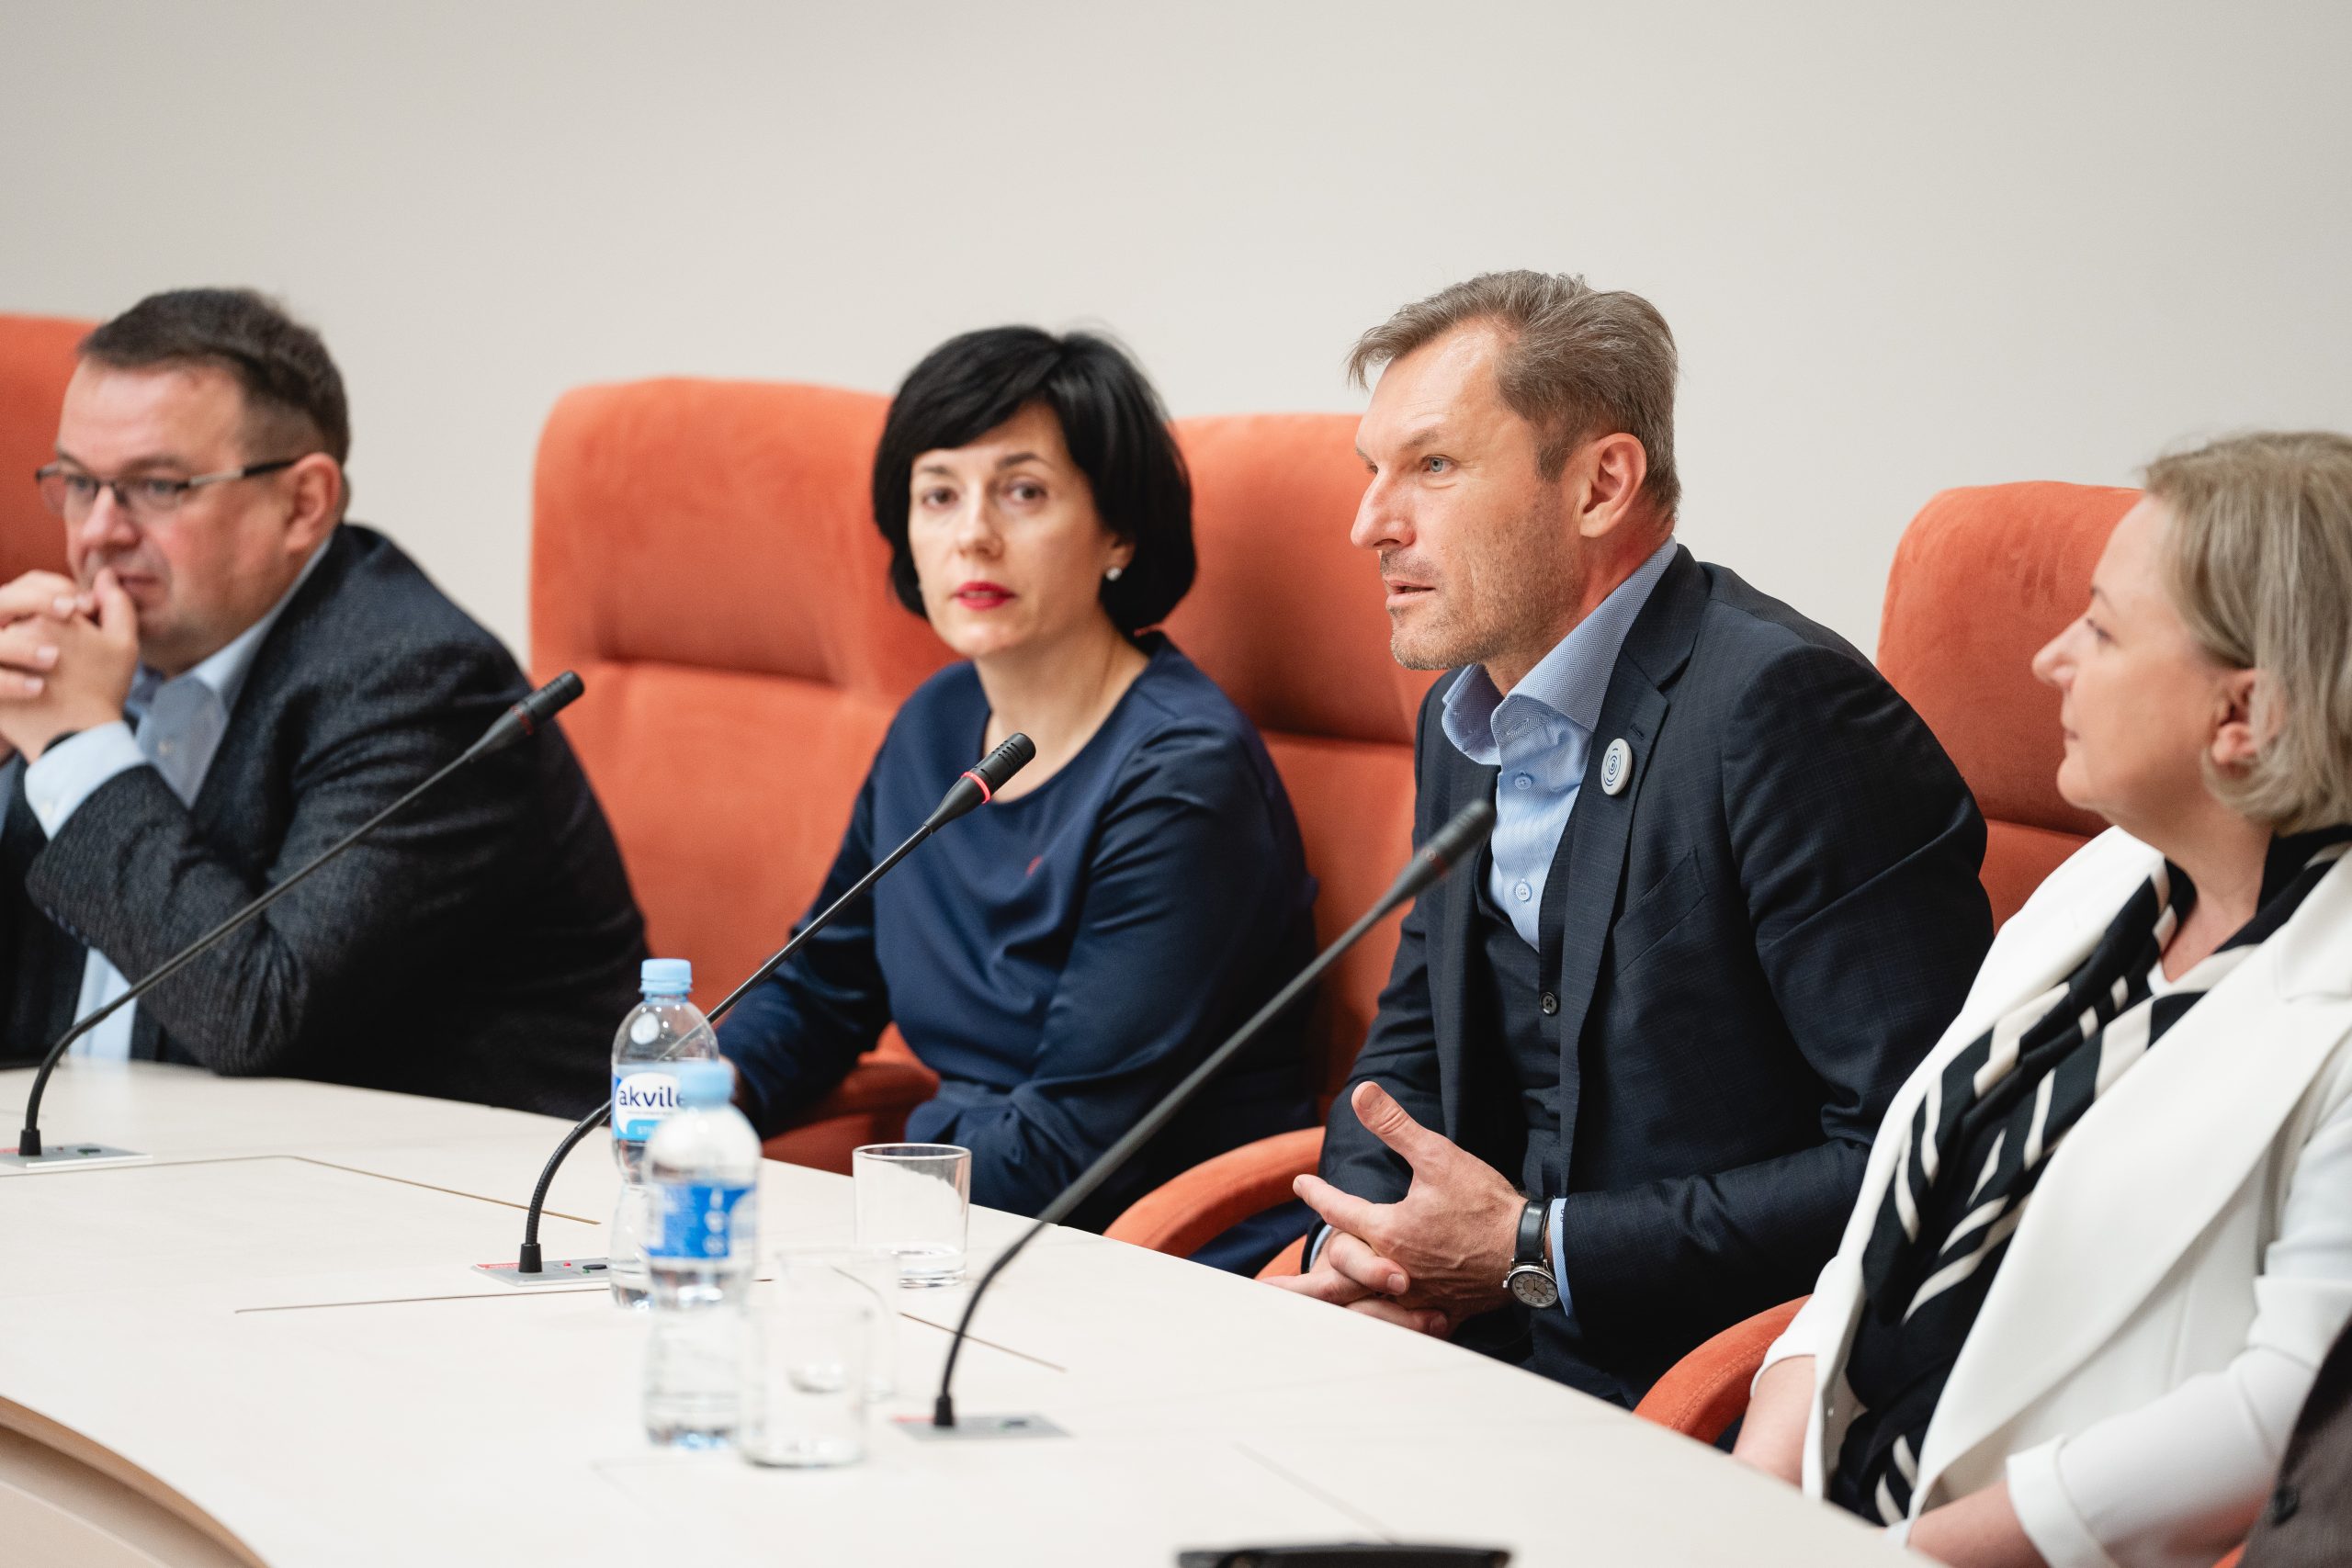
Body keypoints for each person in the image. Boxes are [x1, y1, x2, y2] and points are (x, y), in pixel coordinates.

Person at [1267, 271, 1994, 1404]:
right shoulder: (1463, 714)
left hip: (1690, 1378)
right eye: (1373, 472)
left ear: (1601, 485)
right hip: (1467, 1343)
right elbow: (1413, 1040)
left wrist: (1537, 1250)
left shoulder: (1783, 712)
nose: (1372, 524)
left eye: (1433, 467)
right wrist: (1362, 1246)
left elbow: (1917, 1156)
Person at [1734, 433, 2352, 1568]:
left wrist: (1905, 1554)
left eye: (2102, 631)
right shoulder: (2113, 877)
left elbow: (2287, 1410)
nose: (2049, 659)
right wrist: (1756, 1484)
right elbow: (1890, 1227)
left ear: (2243, 715)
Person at [717, 326, 1317, 1235]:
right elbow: (821, 988)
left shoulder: (1184, 774)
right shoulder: (934, 725)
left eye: (1023, 491)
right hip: (960, 1217)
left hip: (1146, 1248)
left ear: (1118, 531)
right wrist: (700, 1093)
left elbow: (1070, 1141)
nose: (973, 536)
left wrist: (822, 1233)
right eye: (938, 495)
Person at [0, 288, 644, 1116]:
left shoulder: (420, 683)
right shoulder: (81, 664)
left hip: (423, 1181)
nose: (97, 532)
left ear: (302, 504)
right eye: (79, 482)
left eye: (157, 485)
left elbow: (258, 1014)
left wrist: (78, 749)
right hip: (115, 1156)